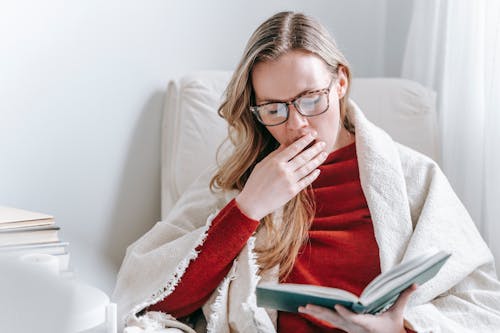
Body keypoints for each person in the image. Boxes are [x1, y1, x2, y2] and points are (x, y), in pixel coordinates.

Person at [112, 11, 500, 333]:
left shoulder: (414, 175)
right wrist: (248, 209)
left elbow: (482, 304)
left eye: (311, 99)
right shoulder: (239, 183)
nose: (297, 124)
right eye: (274, 109)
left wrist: (403, 329)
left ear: (341, 82)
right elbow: (149, 300)